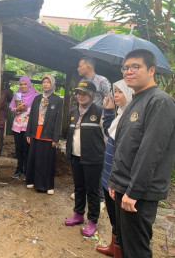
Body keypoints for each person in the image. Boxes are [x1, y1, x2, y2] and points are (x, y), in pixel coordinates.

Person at [108, 49, 175, 258]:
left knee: (136, 250)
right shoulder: (134, 101)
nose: (128, 71)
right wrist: (114, 182)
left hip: (138, 193)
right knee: (126, 246)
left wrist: (133, 191)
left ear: (151, 70)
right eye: (126, 67)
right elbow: (123, 147)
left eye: (135, 66)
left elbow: (151, 151)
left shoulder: (160, 101)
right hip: (123, 187)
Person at [96, 79, 133, 257]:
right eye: (115, 91)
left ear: (129, 93)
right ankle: (114, 246)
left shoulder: (131, 119)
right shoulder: (120, 115)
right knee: (112, 216)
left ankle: (119, 250)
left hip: (117, 178)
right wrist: (109, 110)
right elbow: (109, 130)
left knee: (120, 219)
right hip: (108, 175)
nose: (116, 95)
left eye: (120, 91)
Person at [64, 80, 107, 237]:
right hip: (76, 156)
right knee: (79, 187)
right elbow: (71, 135)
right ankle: (78, 215)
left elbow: (106, 137)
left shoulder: (100, 112)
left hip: (93, 159)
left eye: (85, 93)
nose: (81, 96)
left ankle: (93, 221)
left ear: (93, 95)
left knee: (93, 190)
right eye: (79, 93)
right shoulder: (73, 112)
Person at [75, 56, 112, 203]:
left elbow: (110, 98)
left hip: (99, 123)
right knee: (82, 153)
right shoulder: (81, 83)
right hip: (83, 122)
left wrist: (101, 112)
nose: (78, 68)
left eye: (80, 66)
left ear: (88, 67)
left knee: (98, 156)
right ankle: (84, 189)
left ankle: (99, 194)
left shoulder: (102, 81)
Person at [25, 75, 63, 195]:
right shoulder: (37, 99)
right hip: (35, 133)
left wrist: (55, 138)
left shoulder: (57, 100)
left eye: (48, 82)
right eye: (44, 82)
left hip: (48, 134)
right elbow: (31, 117)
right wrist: (29, 132)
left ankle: (48, 185)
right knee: (33, 158)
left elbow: (58, 120)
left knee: (47, 161)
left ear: (52, 84)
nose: (45, 84)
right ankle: (31, 180)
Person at [9, 76, 39, 179]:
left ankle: (27, 171)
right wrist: (17, 108)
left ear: (29, 84)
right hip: (17, 125)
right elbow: (12, 109)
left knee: (28, 149)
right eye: (21, 84)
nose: (22, 86)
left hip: (29, 126)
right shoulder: (17, 95)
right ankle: (19, 170)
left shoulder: (36, 96)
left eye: (25, 84)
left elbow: (39, 111)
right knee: (18, 148)